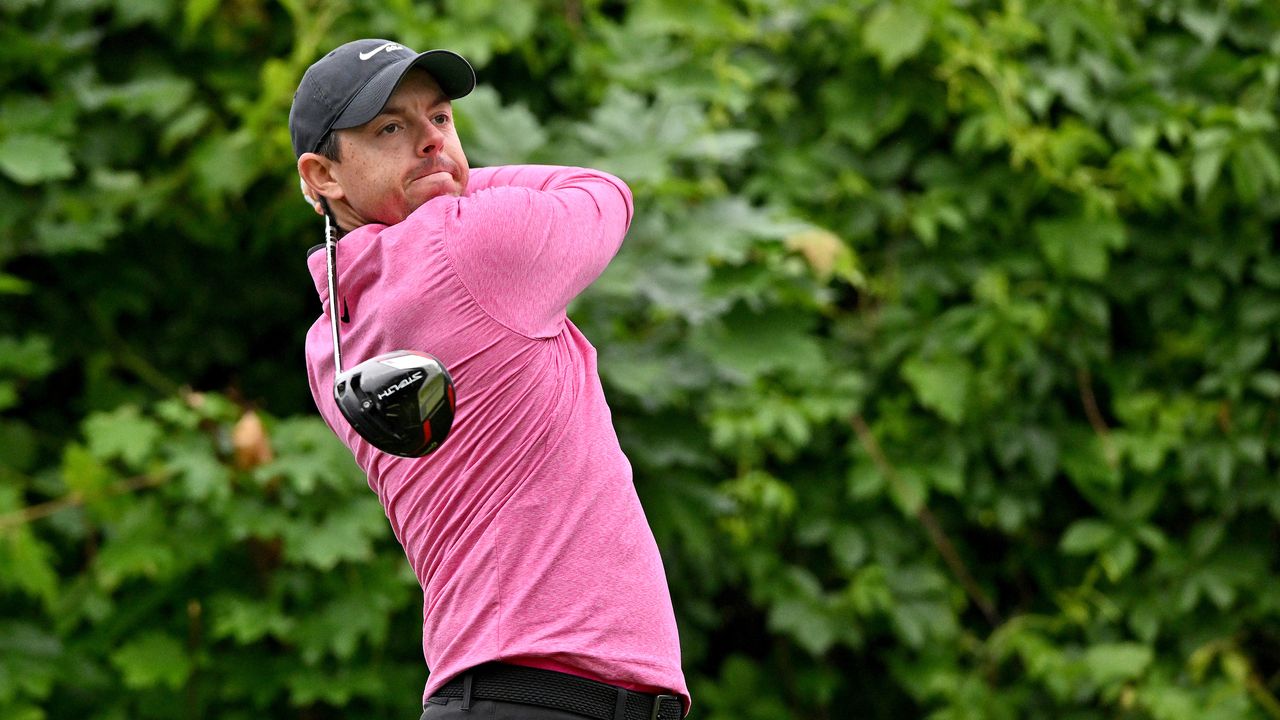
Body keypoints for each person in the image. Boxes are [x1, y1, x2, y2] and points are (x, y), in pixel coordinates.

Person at [288, 39, 689, 720]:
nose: (429, 142)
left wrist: (428, 178)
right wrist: (454, 182)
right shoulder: (467, 246)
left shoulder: (330, 341)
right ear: (323, 175)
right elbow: (604, 194)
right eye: (391, 128)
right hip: (546, 698)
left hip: (506, 694)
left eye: (440, 120)